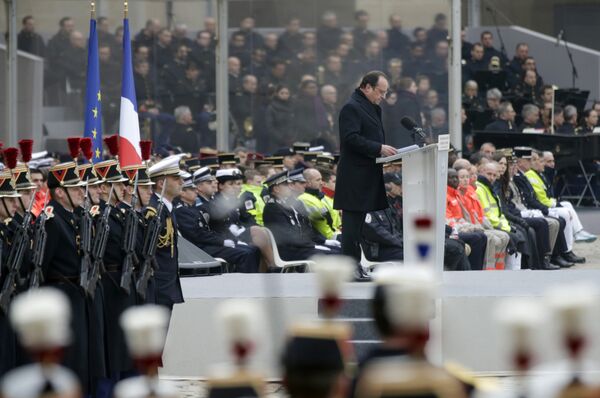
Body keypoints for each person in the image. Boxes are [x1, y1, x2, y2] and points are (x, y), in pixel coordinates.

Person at [41, 162, 105, 394]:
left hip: (78, 295)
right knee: (69, 359)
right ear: (59, 192)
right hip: (62, 297)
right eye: (75, 187)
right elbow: (42, 268)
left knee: (83, 358)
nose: (82, 191)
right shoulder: (52, 221)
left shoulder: (72, 217)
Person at [334, 71, 397, 280]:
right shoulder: (351, 107)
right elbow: (350, 139)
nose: (382, 97)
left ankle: (356, 265)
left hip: (367, 173)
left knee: (359, 225)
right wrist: (378, 147)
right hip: (354, 176)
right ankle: (349, 268)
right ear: (367, 87)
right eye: (380, 92)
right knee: (351, 226)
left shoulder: (371, 107)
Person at [147, 156, 185, 313]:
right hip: (157, 285)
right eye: (176, 178)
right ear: (161, 183)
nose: (181, 182)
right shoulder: (154, 210)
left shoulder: (166, 207)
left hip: (166, 283)